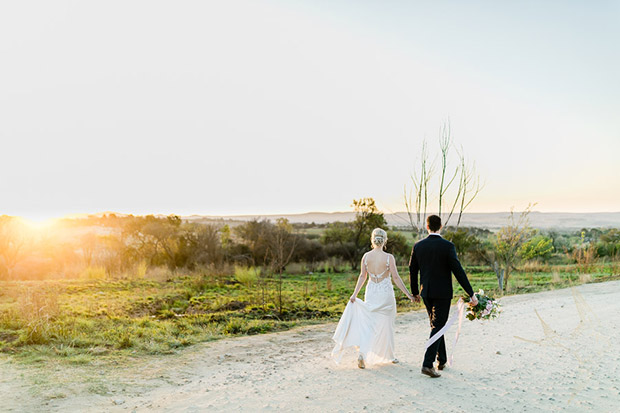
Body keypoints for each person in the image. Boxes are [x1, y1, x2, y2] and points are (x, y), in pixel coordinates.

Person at [331, 228, 418, 369]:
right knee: (387, 325)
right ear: (385, 240)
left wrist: (354, 294)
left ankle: (363, 354)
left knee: (369, 326)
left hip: (371, 293)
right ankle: (389, 356)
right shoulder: (389, 257)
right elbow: (395, 277)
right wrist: (408, 294)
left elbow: (362, 277)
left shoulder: (366, 257)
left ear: (372, 240)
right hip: (385, 294)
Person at [409, 214, 478, 378]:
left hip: (426, 293)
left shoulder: (418, 246)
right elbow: (458, 271)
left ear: (427, 227)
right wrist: (471, 293)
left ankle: (442, 360)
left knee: (436, 325)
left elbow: (412, 270)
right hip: (442, 294)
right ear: (441, 227)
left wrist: (415, 292)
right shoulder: (448, 246)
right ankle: (427, 364)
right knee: (438, 326)